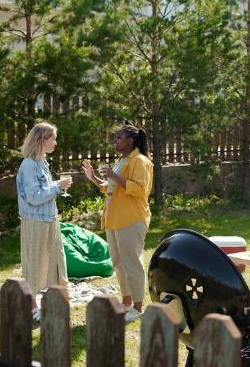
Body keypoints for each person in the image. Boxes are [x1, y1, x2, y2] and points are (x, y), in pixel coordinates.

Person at [82, 125, 153, 322]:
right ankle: (127, 302)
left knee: (132, 262)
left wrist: (114, 176)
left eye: (119, 137)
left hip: (131, 219)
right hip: (114, 219)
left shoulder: (141, 161)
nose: (115, 141)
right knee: (119, 263)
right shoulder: (122, 160)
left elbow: (140, 190)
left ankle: (138, 307)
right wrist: (94, 178)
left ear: (130, 140)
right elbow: (111, 188)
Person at [16, 122, 73, 322]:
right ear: (42, 140)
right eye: (53, 138)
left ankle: (56, 301)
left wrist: (58, 185)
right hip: (35, 222)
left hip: (50, 218)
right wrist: (58, 187)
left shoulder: (42, 162)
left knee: (56, 260)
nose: (56, 143)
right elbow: (34, 197)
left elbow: (43, 191)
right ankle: (31, 307)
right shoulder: (29, 165)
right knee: (35, 262)